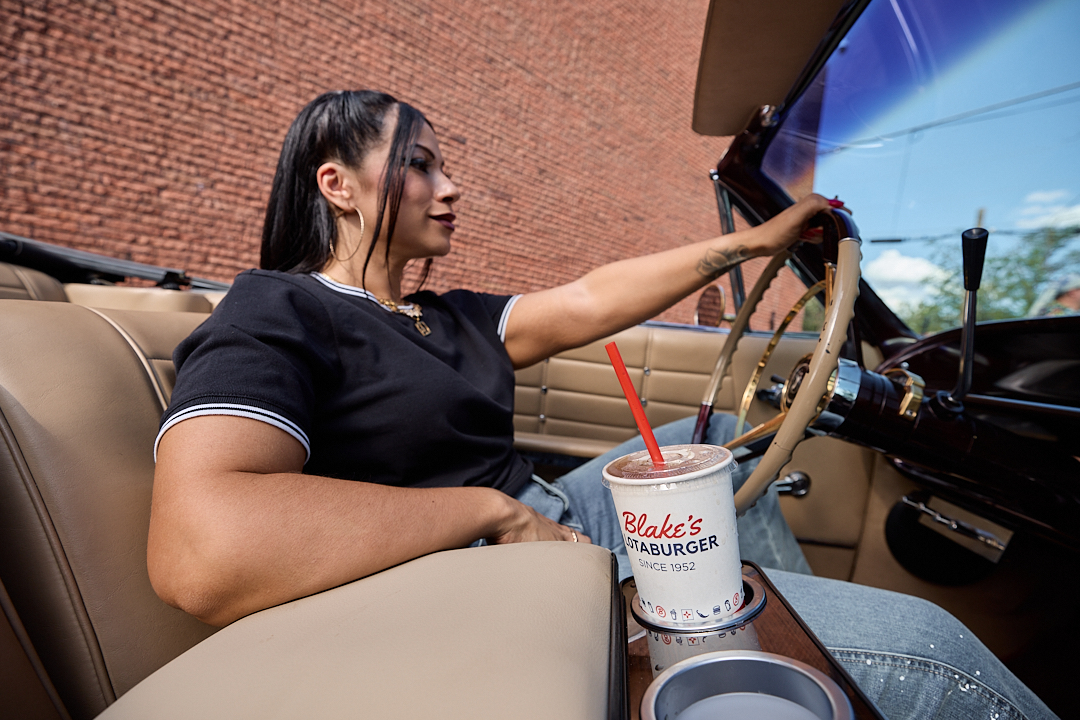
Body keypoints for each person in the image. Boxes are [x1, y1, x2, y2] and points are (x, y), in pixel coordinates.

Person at [148, 90, 1057, 719]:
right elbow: (204, 547)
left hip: (541, 522)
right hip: (478, 574)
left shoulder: (444, 317)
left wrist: (759, 243)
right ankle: (788, 644)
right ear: (336, 185)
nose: (450, 186)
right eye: (418, 165)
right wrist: (493, 512)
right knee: (937, 657)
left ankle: (780, 639)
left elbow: (591, 297)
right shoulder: (281, 305)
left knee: (709, 441)